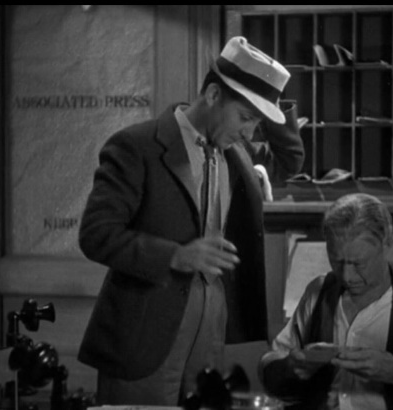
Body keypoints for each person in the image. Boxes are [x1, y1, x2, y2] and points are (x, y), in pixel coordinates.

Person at [77, 36, 303, 406]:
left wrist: (270, 100)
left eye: (256, 123)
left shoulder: (237, 153)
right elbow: (96, 234)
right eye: (246, 118)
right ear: (213, 95)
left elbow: (291, 161)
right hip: (145, 334)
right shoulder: (137, 146)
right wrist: (176, 256)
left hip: (210, 334)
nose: (249, 133)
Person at [259, 193, 393, 410]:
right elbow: (270, 366)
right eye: (337, 261)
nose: (347, 276)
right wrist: (291, 366)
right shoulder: (319, 292)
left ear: (387, 243)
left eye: (358, 264)